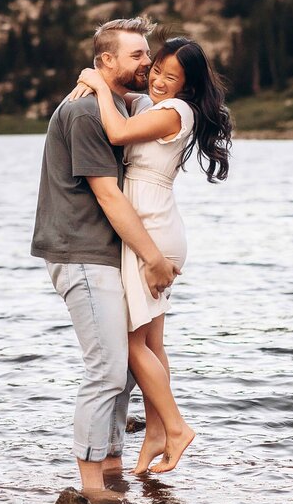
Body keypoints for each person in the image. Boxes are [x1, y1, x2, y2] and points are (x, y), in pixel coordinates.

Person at [31, 16, 182, 497]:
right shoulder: (85, 113)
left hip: (106, 253)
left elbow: (158, 107)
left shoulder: (116, 104)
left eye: (147, 54)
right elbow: (108, 195)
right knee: (108, 368)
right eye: (137, 55)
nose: (148, 63)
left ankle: (113, 463)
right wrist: (153, 258)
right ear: (106, 60)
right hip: (81, 252)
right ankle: (92, 485)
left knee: (125, 369)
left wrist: (96, 82)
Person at [70, 36, 232, 474]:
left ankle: (176, 427)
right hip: (155, 225)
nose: (158, 80)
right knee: (152, 343)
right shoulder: (154, 104)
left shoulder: (175, 112)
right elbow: (128, 95)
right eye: (156, 69)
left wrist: (96, 84)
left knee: (130, 343)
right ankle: (157, 432)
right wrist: (103, 81)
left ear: (188, 85)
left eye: (170, 77)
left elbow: (117, 133)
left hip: (153, 233)